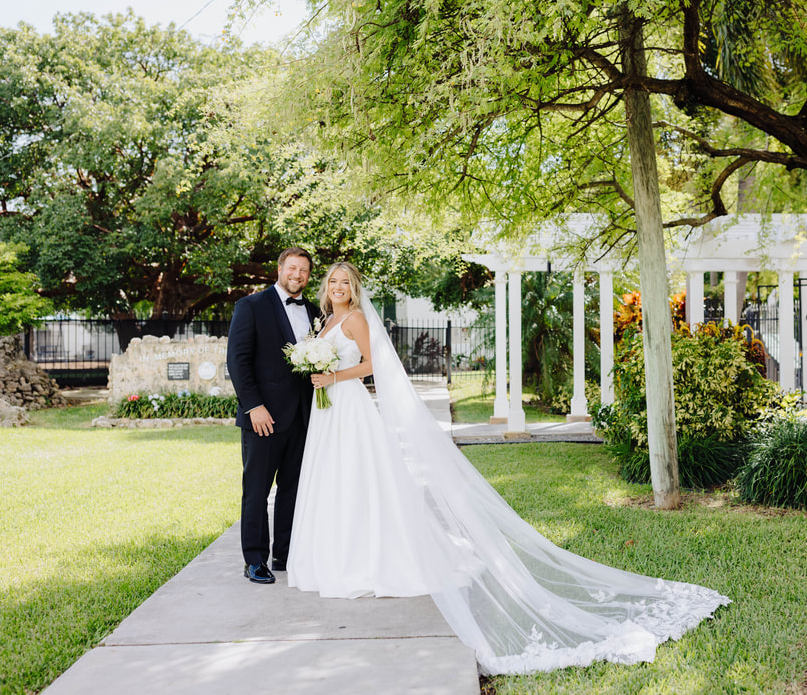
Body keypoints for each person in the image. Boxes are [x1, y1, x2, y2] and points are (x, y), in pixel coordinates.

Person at [287, 262, 731, 675]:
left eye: (346, 282)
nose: (339, 288)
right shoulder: (323, 322)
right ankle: (334, 554)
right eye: (333, 283)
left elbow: (371, 366)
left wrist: (332, 378)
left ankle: (369, 558)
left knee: (360, 483)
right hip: (328, 417)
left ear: (355, 288)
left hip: (350, 410)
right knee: (334, 485)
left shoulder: (358, 320)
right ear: (326, 289)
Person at [227, 247, 324, 584]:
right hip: (262, 417)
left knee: (293, 489)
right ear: (280, 268)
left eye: (304, 271)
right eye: (292, 269)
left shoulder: (313, 312)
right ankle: (254, 559)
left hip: (302, 416)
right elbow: (237, 361)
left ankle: (285, 553)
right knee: (257, 490)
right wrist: (254, 406)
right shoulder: (251, 306)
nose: (297, 276)